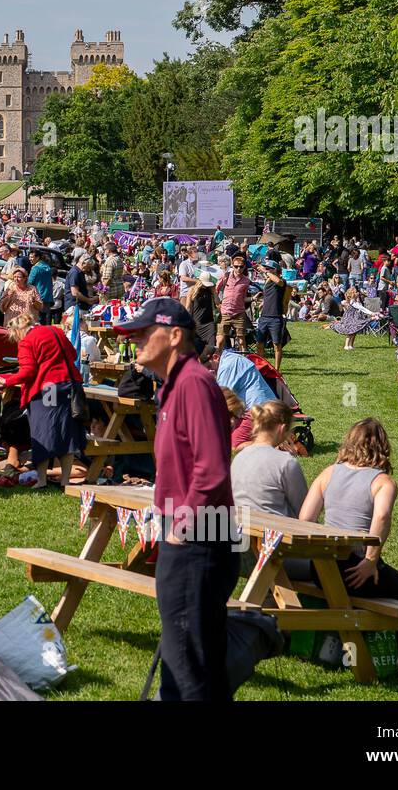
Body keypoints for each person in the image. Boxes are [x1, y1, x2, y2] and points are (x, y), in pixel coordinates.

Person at [112, 297, 238, 700]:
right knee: (188, 665)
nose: (136, 341)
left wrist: (181, 526)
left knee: (187, 670)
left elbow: (212, 468)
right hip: (196, 536)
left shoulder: (194, 384)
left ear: (176, 335)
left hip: (200, 539)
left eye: (146, 332)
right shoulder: (173, 386)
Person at [299, 419, 398, 684]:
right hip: (354, 569)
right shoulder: (383, 482)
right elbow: (381, 518)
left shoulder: (328, 473)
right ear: (382, 446)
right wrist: (370, 560)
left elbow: (305, 519)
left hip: (320, 568)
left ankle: (353, 649)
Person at [0, 314, 86, 491]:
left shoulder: (27, 342)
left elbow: (28, 371)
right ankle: (65, 481)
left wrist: (7, 381)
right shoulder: (55, 331)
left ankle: (42, 480)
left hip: (48, 389)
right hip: (70, 386)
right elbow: (73, 353)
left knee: (43, 434)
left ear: (17, 330)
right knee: (66, 435)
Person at [230, 401, 307, 519]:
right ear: (282, 429)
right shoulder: (286, 463)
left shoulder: (238, 459)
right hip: (276, 533)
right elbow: (304, 512)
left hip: (241, 531)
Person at [255, 260, 288, 372]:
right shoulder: (267, 282)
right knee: (259, 343)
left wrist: (265, 271)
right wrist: (262, 304)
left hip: (275, 317)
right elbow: (269, 296)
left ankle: (277, 369)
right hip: (264, 316)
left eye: (269, 268)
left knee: (276, 345)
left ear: (275, 270)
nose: (266, 270)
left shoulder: (281, 281)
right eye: (266, 268)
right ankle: (261, 365)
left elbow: (278, 281)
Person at [215, 254, 250, 351]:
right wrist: (218, 304)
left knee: (241, 341)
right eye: (236, 266)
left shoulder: (246, 281)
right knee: (220, 340)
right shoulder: (225, 277)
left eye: (241, 267)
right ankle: (218, 361)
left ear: (244, 267)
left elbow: (243, 297)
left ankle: (244, 362)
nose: (238, 269)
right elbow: (215, 290)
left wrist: (252, 299)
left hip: (239, 313)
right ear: (232, 266)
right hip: (225, 313)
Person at [29, 250, 55, 325]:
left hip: (38, 296)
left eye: (32, 257)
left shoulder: (35, 268)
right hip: (47, 296)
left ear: (37, 258)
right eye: (29, 257)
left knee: (38, 320)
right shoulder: (47, 267)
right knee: (45, 320)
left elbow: (30, 282)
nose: (30, 259)